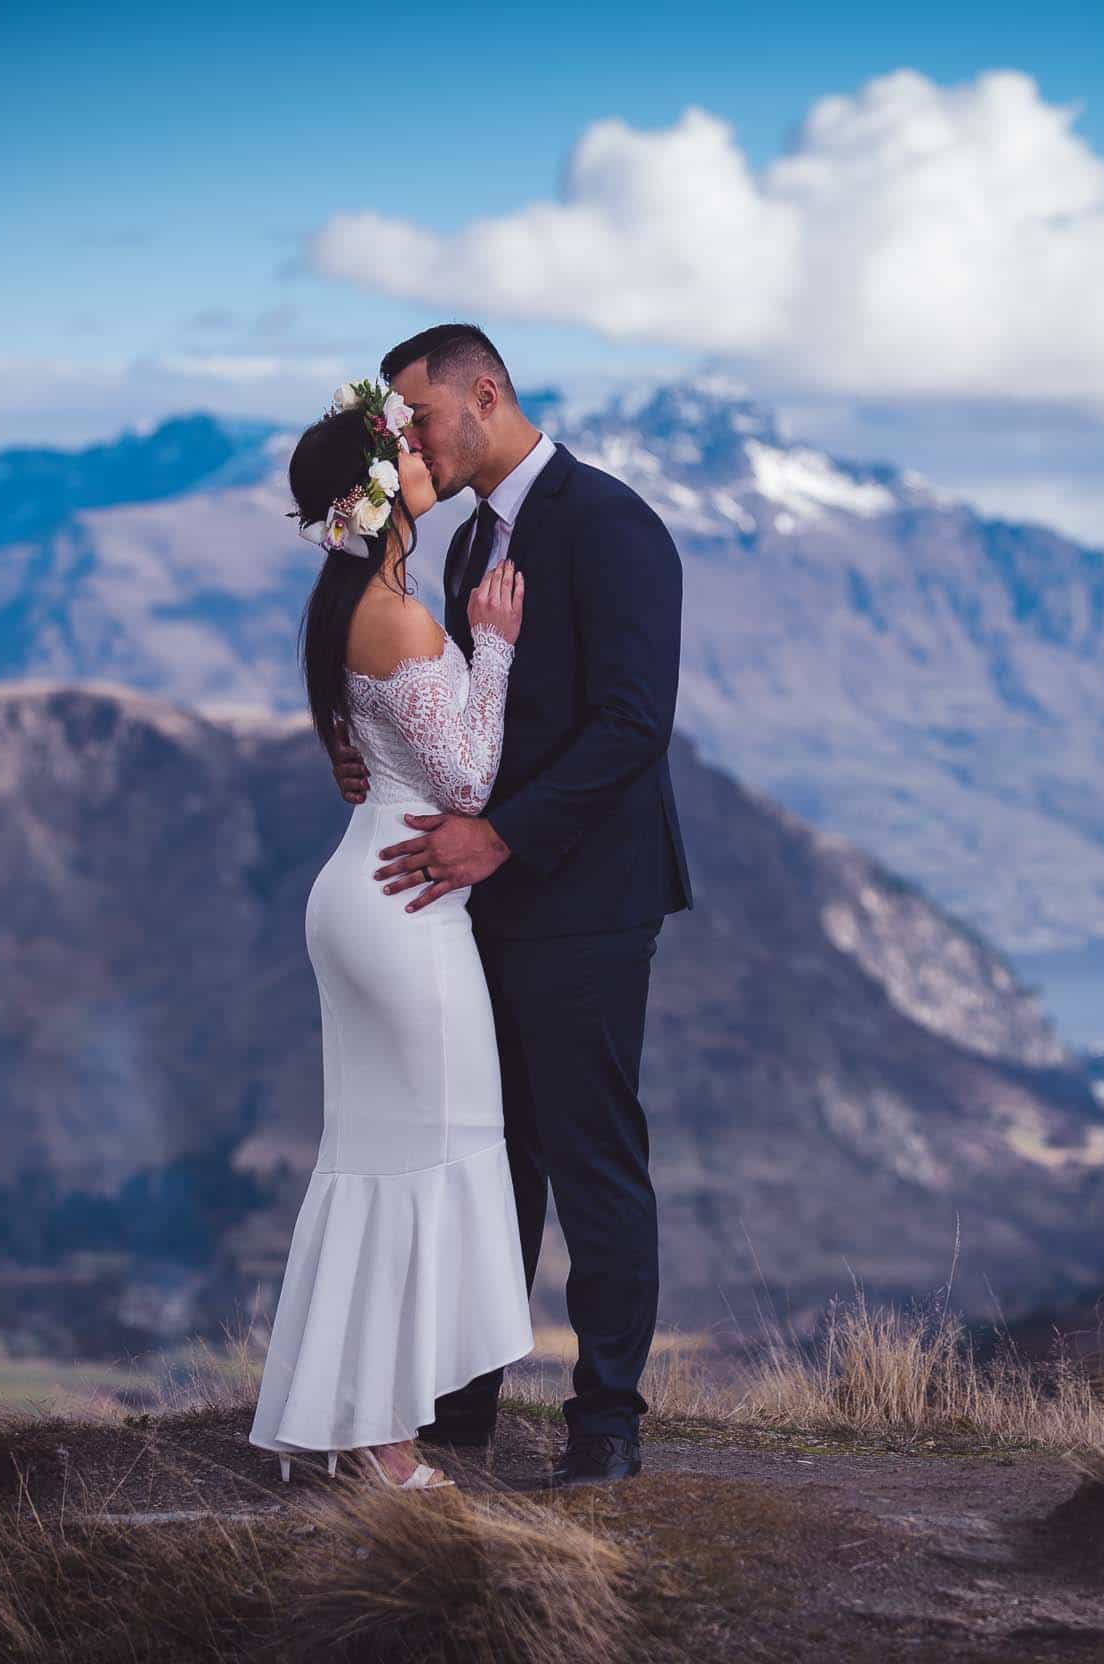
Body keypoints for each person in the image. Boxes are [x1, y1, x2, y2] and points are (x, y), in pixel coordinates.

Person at [326, 323, 694, 1487]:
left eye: (419, 419)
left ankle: (607, 1419)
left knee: (589, 1152)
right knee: (497, 1150)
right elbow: (468, 725)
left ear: (485, 393)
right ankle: (464, 1395)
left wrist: (503, 833)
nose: (408, 443)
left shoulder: (612, 523)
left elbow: (635, 722)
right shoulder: (472, 539)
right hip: (477, 897)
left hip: (586, 898)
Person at [247, 378, 535, 1491]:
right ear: (378, 494)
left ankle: (361, 1424)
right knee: (429, 1152)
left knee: (379, 1159)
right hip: (407, 909)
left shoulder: (343, 605)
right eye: (401, 446)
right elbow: (467, 776)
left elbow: (373, 752)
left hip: (367, 888)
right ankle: (385, 1448)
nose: (422, 449)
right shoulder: (401, 612)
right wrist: (493, 645)